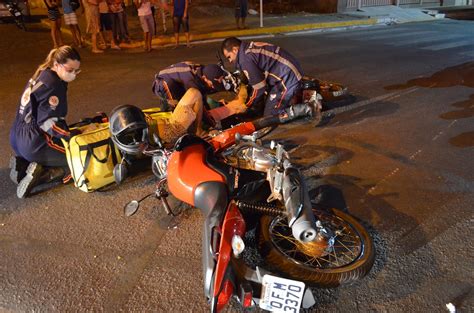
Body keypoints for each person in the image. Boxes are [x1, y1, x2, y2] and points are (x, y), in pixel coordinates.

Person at [9, 46, 82, 198]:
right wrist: (71, 136)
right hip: (34, 142)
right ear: (56, 65)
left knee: (62, 149)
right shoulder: (53, 85)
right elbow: (49, 123)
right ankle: (42, 175)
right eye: (70, 70)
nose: (74, 74)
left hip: (17, 137)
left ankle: (24, 165)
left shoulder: (42, 74)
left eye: (77, 71)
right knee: (79, 158)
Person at [221, 37, 305, 117]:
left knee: (270, 116)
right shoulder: (248, 49)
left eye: (229, 56)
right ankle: (293, 98)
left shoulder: (245, 59)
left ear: (235, 50)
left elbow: (260, 87)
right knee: (266, 100)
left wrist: (246, 105)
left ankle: (306, 109)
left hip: (287, 77)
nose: (230, 61)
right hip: (288, 71)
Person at [151, 62, 247, 124]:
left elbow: (207, 94)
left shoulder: (203, 71)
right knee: (183, 111)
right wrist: (211, 123)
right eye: (212, 84)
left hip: (177, 82)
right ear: (204, 78)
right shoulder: (191, 81)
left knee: (198, 99)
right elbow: (200, 102)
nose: (213, 86)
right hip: (162, 83)